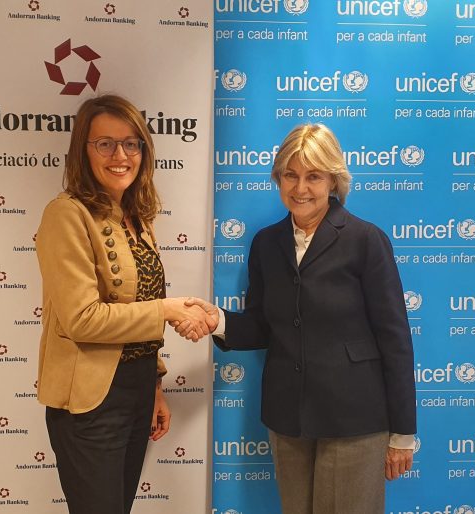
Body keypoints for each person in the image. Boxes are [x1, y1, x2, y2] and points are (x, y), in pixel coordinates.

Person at [178, 123, 417, 514]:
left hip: (355, 419)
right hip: (288, 419)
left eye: (313, 176)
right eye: (290, 175)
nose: (300, 188)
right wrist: (216, 320)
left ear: (333, 181)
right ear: (278, 178)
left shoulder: (365, 240)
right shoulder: (266, 243)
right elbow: (261, 326)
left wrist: (403, 433)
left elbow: (395, 339)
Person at [35, 94, 215, 514]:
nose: (121, 155)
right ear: (83, 150)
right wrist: (167, 310)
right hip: (90, 402)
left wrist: (154, 386)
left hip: (136, 390)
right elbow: (83, 319)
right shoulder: (66, 214)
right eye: (105, 144)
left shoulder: (137, 218)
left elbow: (141, 305)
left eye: (131, 144)